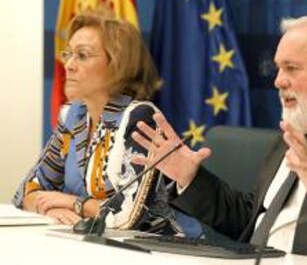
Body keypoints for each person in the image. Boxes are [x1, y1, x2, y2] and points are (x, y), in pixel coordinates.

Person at [131, 14, 307, 264]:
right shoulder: (295, 131)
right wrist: (190, 178)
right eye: (278, 68)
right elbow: (252, 220)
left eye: (291, 68)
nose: (278, 80)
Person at [13, 14, 202, 237]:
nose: (69, 65)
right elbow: (27, 190)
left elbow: (129, 217)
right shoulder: (73, 116)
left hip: (163, 248)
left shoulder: (140, 118)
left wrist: (74, 204)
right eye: (68, 54)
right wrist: (50, 206)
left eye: (82, 56)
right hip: (96, 242)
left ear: (117, 65)